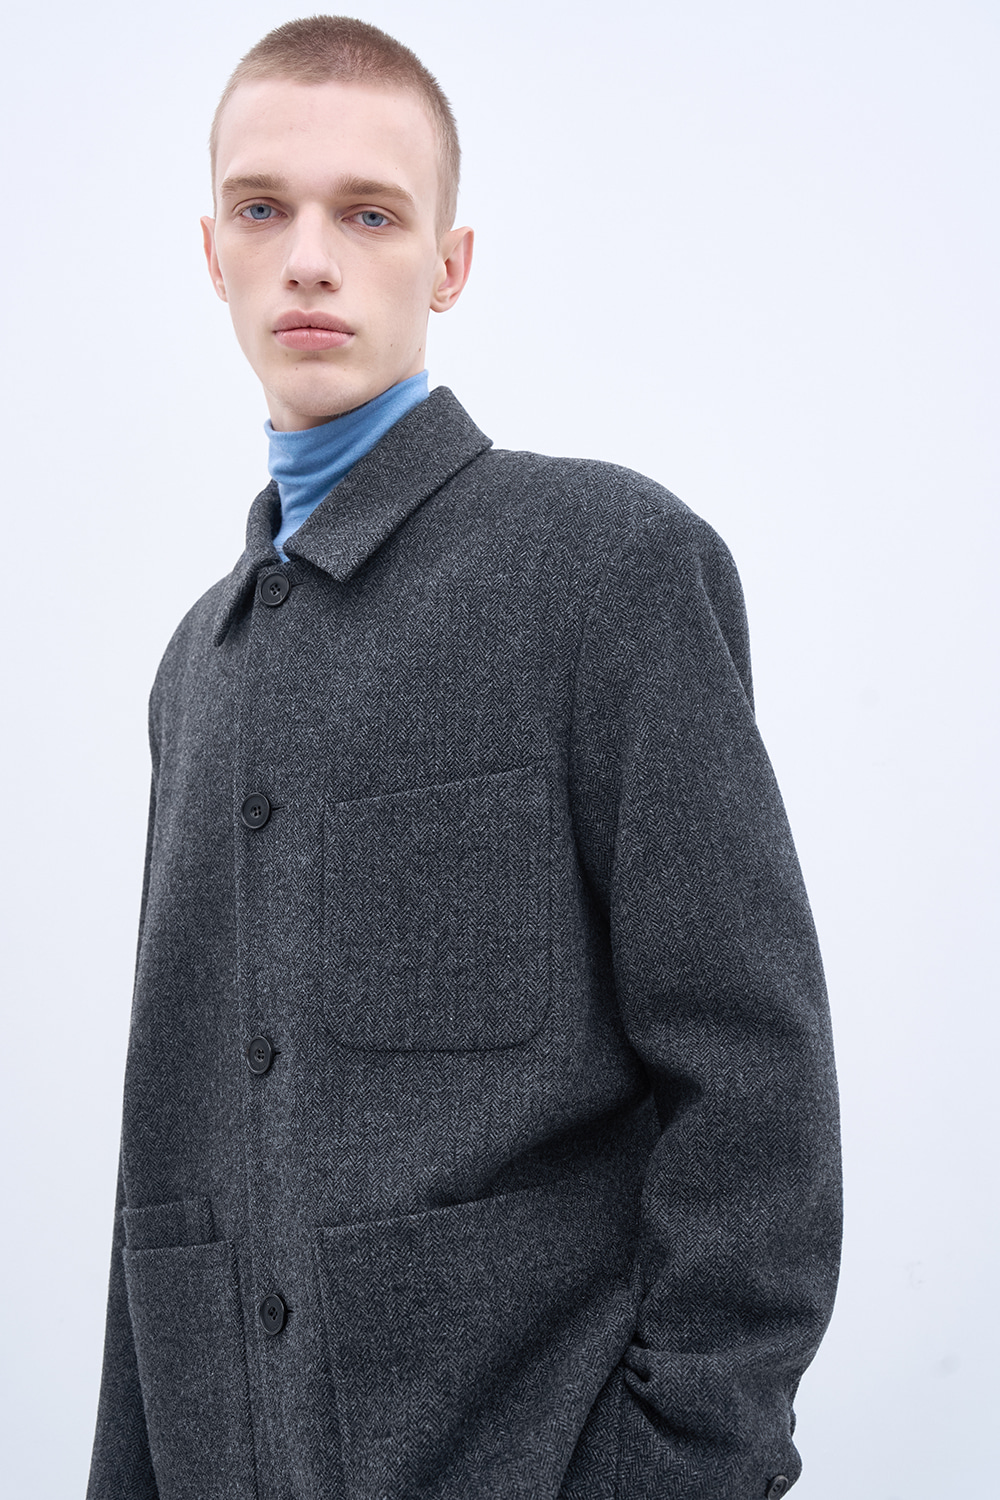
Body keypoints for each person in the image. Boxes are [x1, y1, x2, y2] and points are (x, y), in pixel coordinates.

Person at [86, 15, 841, 1500]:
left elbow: (754, 1075)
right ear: (212, 252)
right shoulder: (195, 670)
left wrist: (680, 1466)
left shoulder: (606, 566)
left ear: (449, 262)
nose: (311, 258)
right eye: (263, 208)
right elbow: (165, 1158)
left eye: (370, 214)